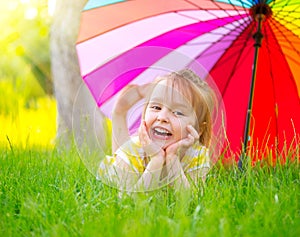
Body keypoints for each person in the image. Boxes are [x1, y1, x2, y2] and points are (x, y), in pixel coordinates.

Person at [98, 69, 217, 192]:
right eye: (156, 107)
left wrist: (172, 158)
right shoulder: (131, 151)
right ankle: (119, 113)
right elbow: (128, 203)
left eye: (178, 112)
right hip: (120, 170)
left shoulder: (196, 155)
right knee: (123, 151)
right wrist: (156, 160)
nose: (162, 117)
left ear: (198, 129)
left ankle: (120, 112)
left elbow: (191, 202)